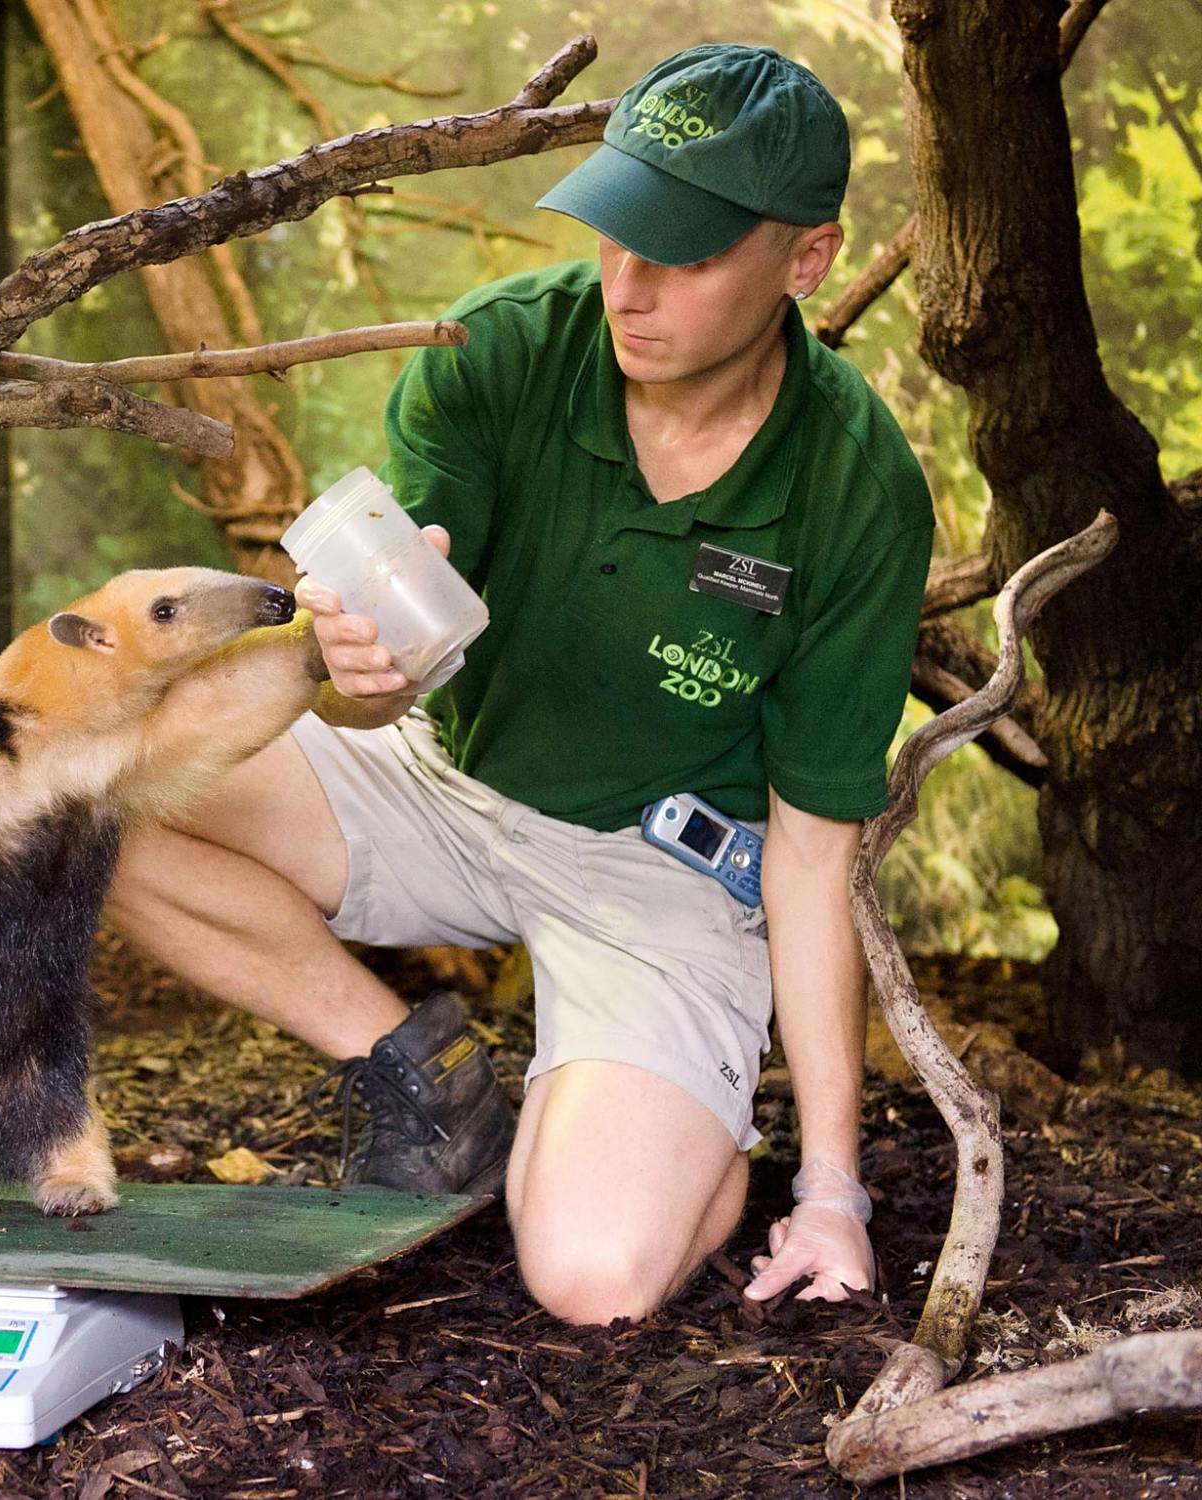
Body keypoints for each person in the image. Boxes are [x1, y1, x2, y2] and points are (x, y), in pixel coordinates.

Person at [105, 42, 931, 1324]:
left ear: (804, 261)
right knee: (88, 785)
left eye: (688, 254)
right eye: (616, 234)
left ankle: (667, 1131)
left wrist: (833, 1188)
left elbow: (816, 855)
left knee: (590, 1281)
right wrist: (358, 678)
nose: (631, 287)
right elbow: (381, 678)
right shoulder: (492, 352)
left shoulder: (856, 490)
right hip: (446, 782)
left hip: (654, 870)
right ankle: (412, 1072)